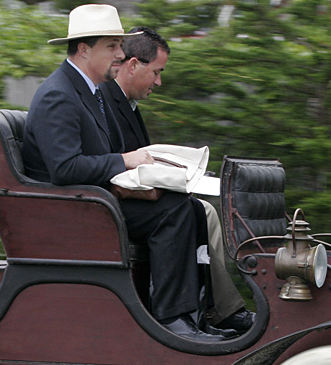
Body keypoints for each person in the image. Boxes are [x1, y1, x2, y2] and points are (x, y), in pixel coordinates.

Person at [22, 4, 226, 342]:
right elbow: (65, 168)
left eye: (120, 45)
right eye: (112, 46)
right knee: (173, 212)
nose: (120, 54)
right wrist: (127, 163)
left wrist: (141, 176)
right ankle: (171, 320)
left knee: (187, 206)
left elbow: (99, 157)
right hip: (70, 211)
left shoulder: (88, 93)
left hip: (94, 199)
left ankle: (194, 316)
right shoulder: (59, 96)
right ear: (84, 49)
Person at [103, 27, 256, 333]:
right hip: (111, 201)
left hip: (125, 195)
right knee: (193, 211)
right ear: (133, 65)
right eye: (156, 72)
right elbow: (112, 165)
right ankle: (202, 312)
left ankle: (208, 308)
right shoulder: (106, 102)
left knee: (204, 211)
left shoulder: (125, 105)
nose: (159, 82)